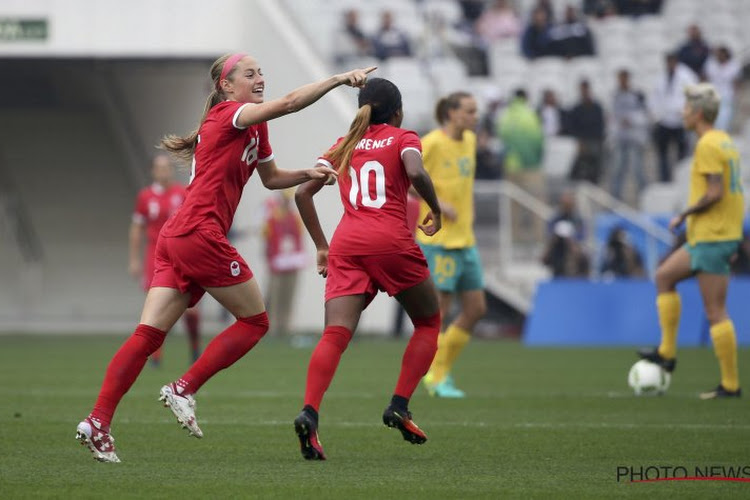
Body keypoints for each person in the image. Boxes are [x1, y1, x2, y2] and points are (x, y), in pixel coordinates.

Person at [74, 52, 375, 463]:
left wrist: (309, 173)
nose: (260, 77)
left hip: (179, 235)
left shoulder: (254, 124)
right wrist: (339, 79)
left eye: (261, 71)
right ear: (226, 86)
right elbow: (289, 103)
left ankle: (97, 421)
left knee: (148, 335)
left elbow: (270, 179)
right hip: (199, 233)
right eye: (250, 73)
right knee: (256, 321)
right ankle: (184, 387)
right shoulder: (228, 115)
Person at [293, 78, 443, 460]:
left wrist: (322, 247)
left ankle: (310, 412)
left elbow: (301, 192)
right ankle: (399, 404)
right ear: (398, 112)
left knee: (335, 335)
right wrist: (435, 209)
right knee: (427, 323)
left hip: (347, 245)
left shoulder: (344, 144)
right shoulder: (403, 136)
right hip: (390, 241)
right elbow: (415, 172)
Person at [638, 83, 743, 399]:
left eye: (685, 108)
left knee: (716, 312)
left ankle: (730, 385)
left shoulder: (708, 145)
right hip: (711, 237)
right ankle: (667, 353)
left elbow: (715, 192)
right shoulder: (725, 141)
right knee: (664, 276)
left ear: (697, 113)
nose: (682, 113)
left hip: (713, 238)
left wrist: (683, 215)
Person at [418, 92, 487, 398]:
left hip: (465, 240)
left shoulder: (470, 142)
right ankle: (436, 375)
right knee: (440, 312)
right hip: (440, 240)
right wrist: (439, 204)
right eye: (470, 111)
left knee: (476, 308)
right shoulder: (431, 143)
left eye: (476, 111)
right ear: (452, 113)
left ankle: (439, 371)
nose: (475, 116)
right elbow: (405, 177)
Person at [129, 153, 201, 366]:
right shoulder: (145, 197)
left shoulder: (182, 193)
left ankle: (195, 347)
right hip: (155, 256)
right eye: (159, 168)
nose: (164, 171)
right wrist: (134, 259)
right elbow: (136, 228)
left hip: (181, 254)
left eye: (167, 167)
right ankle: (156, 355)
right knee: (156, 307)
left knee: (191, 308)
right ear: (153, 171)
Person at [262, 190, 307, 339]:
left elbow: (299, 239)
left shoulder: (295, 218)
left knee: (288, 297)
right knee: (273, 297)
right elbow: (266, 239)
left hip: (292, 264)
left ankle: (285, 328)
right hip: (277, 265)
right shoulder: (272, 218)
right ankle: (272, 329)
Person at [650, 52, 698, 182]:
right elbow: (654, 97)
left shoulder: (686, 75)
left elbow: (694, 95)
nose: (670, 64)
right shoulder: (661, 77)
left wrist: (686, 111)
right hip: (664, 121)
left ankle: (681, 179)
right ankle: (665, 180)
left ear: (676, 61)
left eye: (672, 61)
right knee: (663, 154)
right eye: (668, 62)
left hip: (680, 121)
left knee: (682, 154)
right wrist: (656, 115)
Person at [611, 69, 649, 201]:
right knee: (617, 171)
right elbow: (613, 117)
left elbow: (645, 116)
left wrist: (631, 120)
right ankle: (615, 201)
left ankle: (645, 198)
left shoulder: (637, 95)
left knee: (637, 170)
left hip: (634, 138)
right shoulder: (615, 96)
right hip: (621, 138)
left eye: (624, 78)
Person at [566, 79, 605, 184]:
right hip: (582, 142)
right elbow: (572, 127)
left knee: (595, 170)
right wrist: (579, 141)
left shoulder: (597, 108)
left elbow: (601, 126)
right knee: (577, 171)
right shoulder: (577, 109)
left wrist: (599, 141)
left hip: (595, 142)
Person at [704, 46, 741, 132]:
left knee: (724, 122)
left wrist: (736, 96)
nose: (719, 56)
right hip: (712, 97)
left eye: (721, 54)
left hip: (726, 97)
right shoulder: (711, 64)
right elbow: (705, 79)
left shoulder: (733, 66)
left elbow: (736, 82)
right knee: (711, 122)